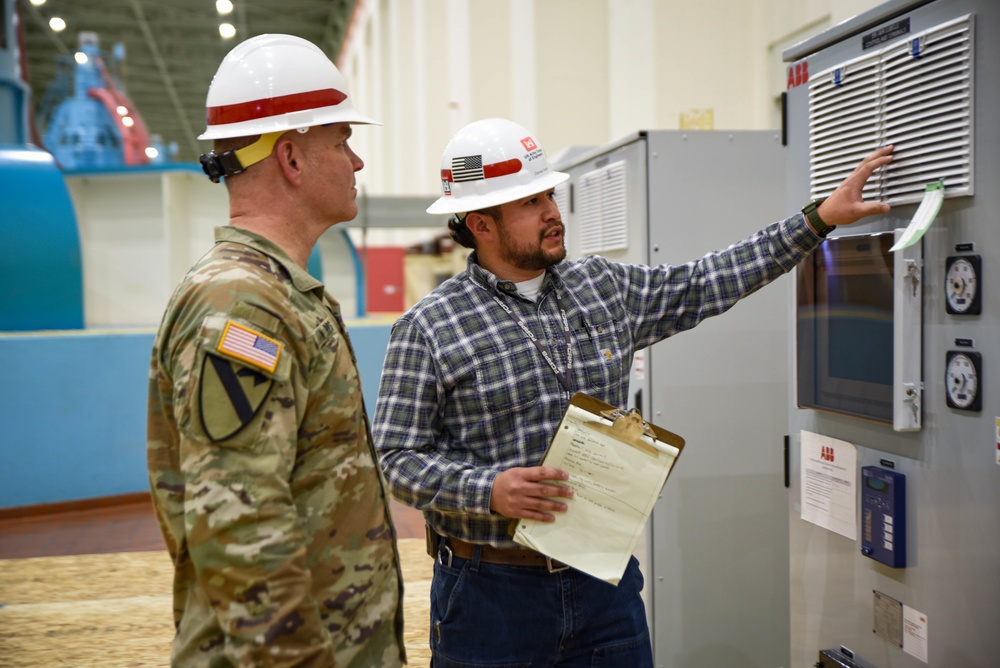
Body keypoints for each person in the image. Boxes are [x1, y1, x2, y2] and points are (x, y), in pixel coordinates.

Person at [372, 117, 893, 666]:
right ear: (480, 223)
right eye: (530, 202)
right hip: (489, 595)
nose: (553, 211)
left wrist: (818, 221)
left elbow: (705, 281)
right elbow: (397, 457)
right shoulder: (430, 326)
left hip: (603, 582)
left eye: (549, 192)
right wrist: (489, 489)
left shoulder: (601, 286)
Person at [147, 34, 406, 667]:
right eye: (341, 141)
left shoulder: (275, 293)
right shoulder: (243, 303)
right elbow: (241, 527)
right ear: (290, 157)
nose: (356, 162)